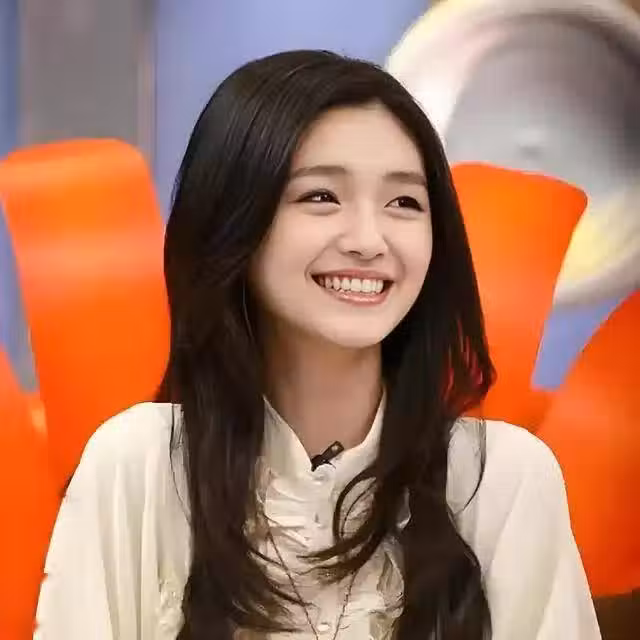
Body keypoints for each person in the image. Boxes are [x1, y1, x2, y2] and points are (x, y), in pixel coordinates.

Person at [34, 50, 601, 640]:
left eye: (404, 202)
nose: (369, 240)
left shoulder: (503, 479)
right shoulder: (140, 466)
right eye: (322, 197)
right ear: (233, 219)